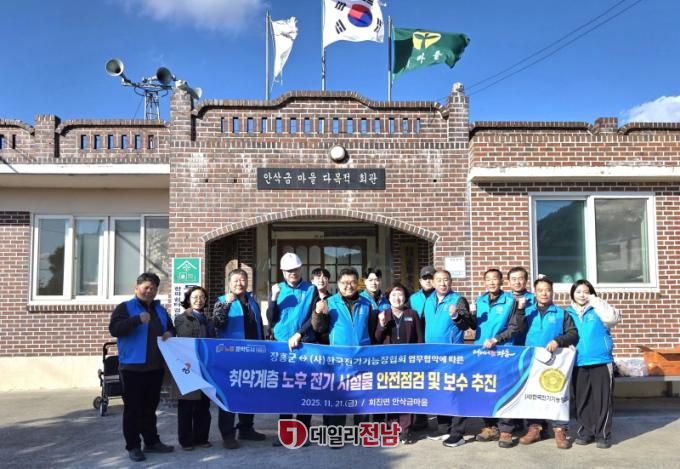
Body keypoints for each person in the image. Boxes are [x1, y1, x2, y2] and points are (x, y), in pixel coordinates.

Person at [108, 272, 175, 462]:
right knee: (133, 410)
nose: (149, 291)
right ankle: (133, 446)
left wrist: (170, 333)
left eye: (153, 288)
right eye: (146, 287)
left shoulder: (160, 310)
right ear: (136, 288)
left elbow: (171, 328)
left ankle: (151, 442)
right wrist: (137, 320)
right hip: (132, 368)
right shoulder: (125, 307)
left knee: (150, 408)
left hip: (155, 367)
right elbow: (115, 329)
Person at [517, 277, 578, 450]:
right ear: (534, 293)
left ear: (552, 292)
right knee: (533, 394)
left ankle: (560, 430)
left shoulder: (561, 313)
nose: (544, 293)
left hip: (556, 362)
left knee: (558, 393)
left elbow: (573, 334)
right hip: (532, 361)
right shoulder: (527, 312)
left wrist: (558, 341)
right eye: (540, 290)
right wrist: (520, 311)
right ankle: (535, 428)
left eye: (548, 290)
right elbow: (518, 329)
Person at [309, 267, 373, 433]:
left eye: (352, 282)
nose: (349, 286)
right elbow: (319, 329)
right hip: (339, 359)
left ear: (358, 283)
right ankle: (335, 434)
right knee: (338, 398)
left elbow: (372, 330)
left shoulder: (366, 303)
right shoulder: (330, 303)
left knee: (362, 398)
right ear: (338, 284)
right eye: (344, 282)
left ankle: (363, 433)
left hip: (362, 358)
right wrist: (318, 313)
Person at [471, 268, 526, 447]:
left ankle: (506, 430)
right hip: (482, 354)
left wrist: (497, 339)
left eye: (495, 279)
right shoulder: (480, 301)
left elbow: (514, 327)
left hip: (503, 352)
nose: (492, 282)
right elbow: (474, 326)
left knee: (504, 390)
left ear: (501, 281)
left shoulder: (510, 300)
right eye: (488, 279)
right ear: (484, 282)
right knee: (484, 389)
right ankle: (489, 426)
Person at [266, 253, 316, 445]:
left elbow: (313, 317)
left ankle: (303, 434)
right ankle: (285, 435)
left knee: (305, 389)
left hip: (304, 344)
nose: (292, 273)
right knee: (285, 391)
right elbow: (271, 318)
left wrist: (299, 334)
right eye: (288, 271)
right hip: (281, 345)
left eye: (294, 269)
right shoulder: (277, 289)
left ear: (301, 269)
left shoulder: (310, 289)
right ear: (282, 272)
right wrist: (273, 298)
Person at [213, 269, 267, 449]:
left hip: (252, 356)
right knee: (229, 395)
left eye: (242, 280)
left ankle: (246, 429)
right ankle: (227, 435)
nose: (239, 283)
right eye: (235, 280)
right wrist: (226, 305)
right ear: (229, 283)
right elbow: (217, 323)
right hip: (231, 358)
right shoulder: (222, 301)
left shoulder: (252, 301)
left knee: (249, 394)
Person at [420, 269, 473, 447]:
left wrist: (456, 316)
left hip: (452, 355)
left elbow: (467, 324)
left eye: (446, 280)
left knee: (455, 392)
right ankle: (443, 428)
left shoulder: (458, 300)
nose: (442, 283)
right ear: (433, 283)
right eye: (439, 280)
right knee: (439, 390)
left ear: (451, 282)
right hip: (433, 355)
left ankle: (458, 433)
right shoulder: (429, 300)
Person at [567, 279, 621, 449]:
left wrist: (595, 301)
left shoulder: (599, 309)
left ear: (591, 293)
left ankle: (603, 435)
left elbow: (613, 318)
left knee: (602, 400)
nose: (582, 295)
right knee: (582, 400)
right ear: (572, 294)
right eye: (578, 292)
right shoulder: (567, 313)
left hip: (601, 360)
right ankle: (585, 432)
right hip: (578, 362)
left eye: (586, 291)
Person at [375, 282, 424, 444]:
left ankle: (405, 430)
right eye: (394, 295)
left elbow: (419, 339)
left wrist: (418, 360)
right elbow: (377, 338)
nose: (397, 298)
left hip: (408, 363)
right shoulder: (383, 314)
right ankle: (392, 427)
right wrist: (381, 324)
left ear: (405, 297)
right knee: (391, 396)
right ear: (388, 297)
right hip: (389, 363)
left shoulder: (412, 314)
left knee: (406, 396)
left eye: (400, 294)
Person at [173, 286, 212, 451]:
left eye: (202, 297)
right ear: (188, 299)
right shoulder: (181, 318)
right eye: (195, 297)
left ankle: (201, 438)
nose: (199, 300)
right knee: (186, 406)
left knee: (204, 405)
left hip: (205, 366)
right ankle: (186, 440)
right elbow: (184, 336)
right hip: (187, 366)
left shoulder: (208, 320)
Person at [408, 265, 436, 430]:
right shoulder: (413, 298)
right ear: (420, 280)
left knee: (435, 382)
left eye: (431, 277)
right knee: (418, 382)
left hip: (435, 345)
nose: (428, 280)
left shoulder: (441, 296)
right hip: (418, 344)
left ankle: (442, 419)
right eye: (425, 278)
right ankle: (420, 418)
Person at [507, 266, 536, 346]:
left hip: (527, 343)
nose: (517, 282)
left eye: (520, 279)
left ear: (526, 280)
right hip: (505, 343)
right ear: (509, 281)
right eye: (514, 279)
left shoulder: (534, 299)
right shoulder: (503, 298)